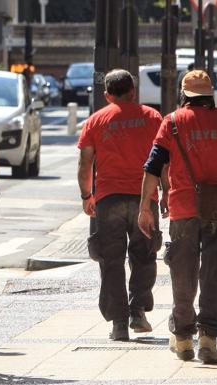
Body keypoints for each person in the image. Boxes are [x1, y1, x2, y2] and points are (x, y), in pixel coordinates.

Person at [138, 70, 217, 364]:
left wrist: (144, 207)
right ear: (210, 94)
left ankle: (182, 339)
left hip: (184, 210)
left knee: (183, 274)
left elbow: (152, 168)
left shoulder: (173, 122)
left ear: (184, 94)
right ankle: (208, 340)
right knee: (215, 273)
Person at [77, 69, 163, 341]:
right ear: (133, 91)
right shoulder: (153, 118)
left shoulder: (95, 121)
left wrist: (86, 196)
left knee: (111, 260)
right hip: (144, 198)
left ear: (107, 95)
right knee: (144, 255)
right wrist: (168, 191)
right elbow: (164, 160)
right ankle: (138, 310)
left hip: (108, 198)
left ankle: (119, 323)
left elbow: (85, 164)